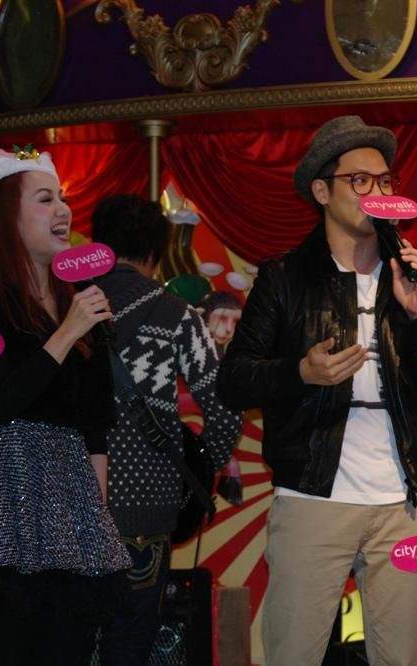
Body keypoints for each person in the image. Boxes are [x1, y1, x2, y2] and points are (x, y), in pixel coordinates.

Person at [217, 115, 417, 666]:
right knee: (293, 655)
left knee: (399, 658)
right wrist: (300, 373)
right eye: (359, 181)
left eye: (385, 181)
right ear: (321, 191)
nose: (375, 192)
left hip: (406, 504)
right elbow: (233, 381)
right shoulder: (284, 278)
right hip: (313, 498)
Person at [0, 148, 130, 666]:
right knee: (12, 645)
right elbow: (0, 400)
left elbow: (95, 424)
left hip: (73, 504)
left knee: (72, 648)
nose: (62, 210)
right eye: (45, 199)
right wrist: (66, 333)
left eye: (62, 198)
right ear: (5, 215)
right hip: (4, 497)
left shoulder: (77, 301)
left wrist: (97, 517)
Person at [89, 194, 242, 666]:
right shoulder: (177, 314)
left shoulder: (64, 307)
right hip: (146, 504)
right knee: (129, 646)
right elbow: (225, 409)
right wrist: (199, 469)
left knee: (69, 643)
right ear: (157, 252)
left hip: (70, 501)